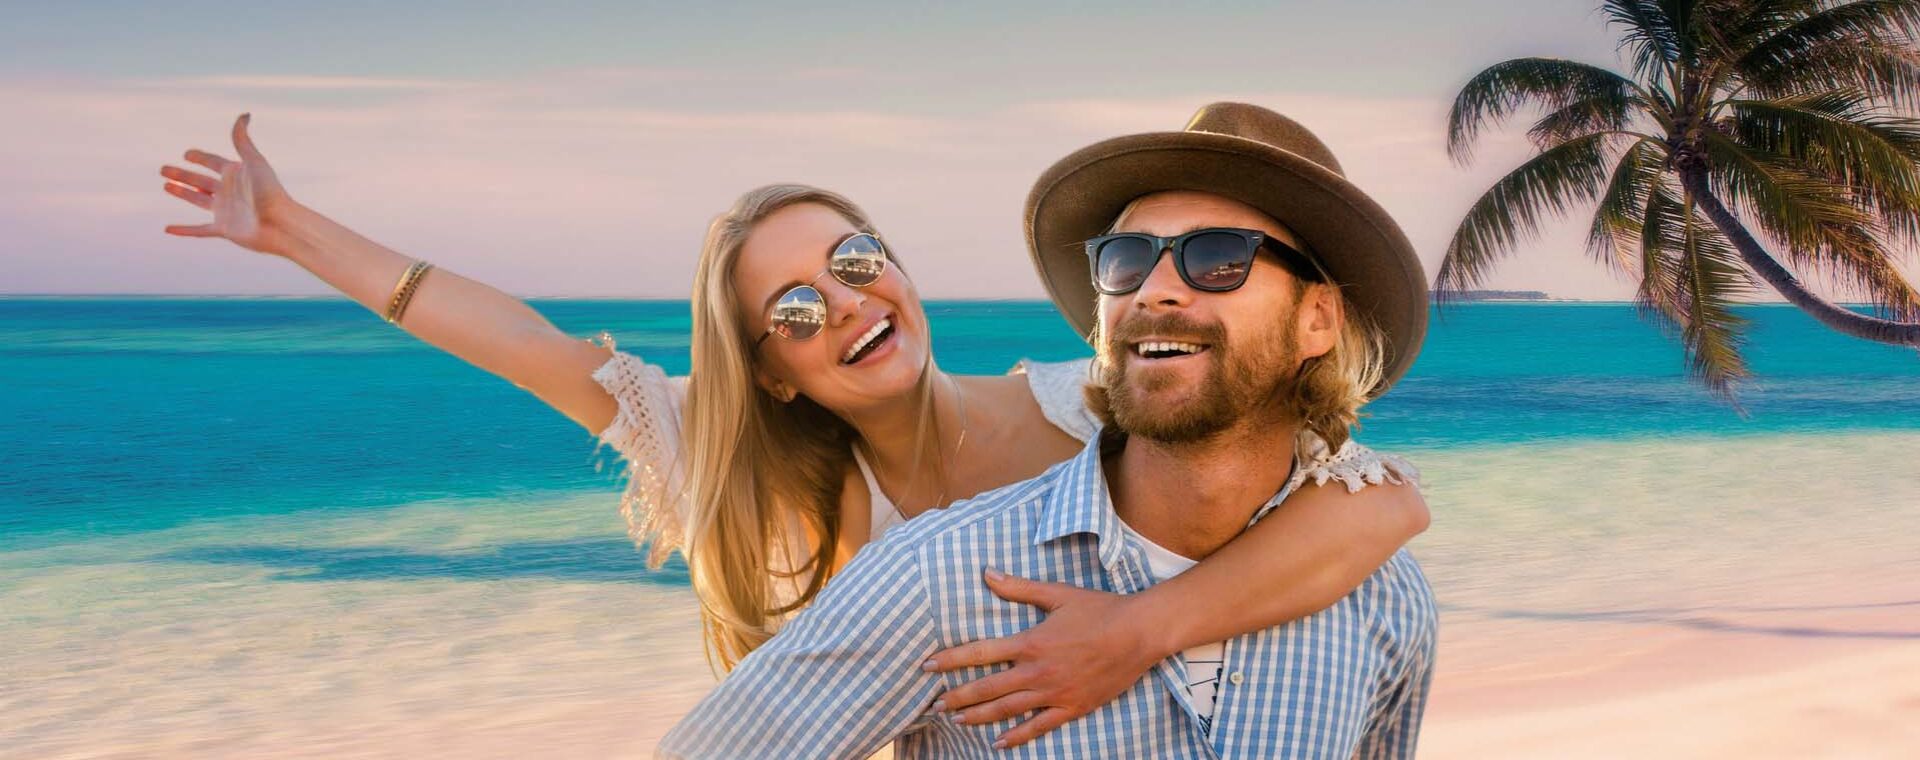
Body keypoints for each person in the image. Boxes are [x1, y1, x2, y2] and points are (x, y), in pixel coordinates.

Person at [156, 106, 1428, 749]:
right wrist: (290, 233)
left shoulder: (1082, 397)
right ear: (767, 370)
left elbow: (1382, 505)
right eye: (797, 308)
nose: (849, 304)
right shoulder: (866, 545)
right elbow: (523, 343)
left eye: (858, 257)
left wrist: (1134, 633)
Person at [656, 102, 1437, 759]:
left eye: (1219, 258)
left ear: (1318, 319)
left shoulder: (1386, 602)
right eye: (1127, 259)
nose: (1158, 289)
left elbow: (1392, 499)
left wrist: (1139, 631)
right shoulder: (940, 577)